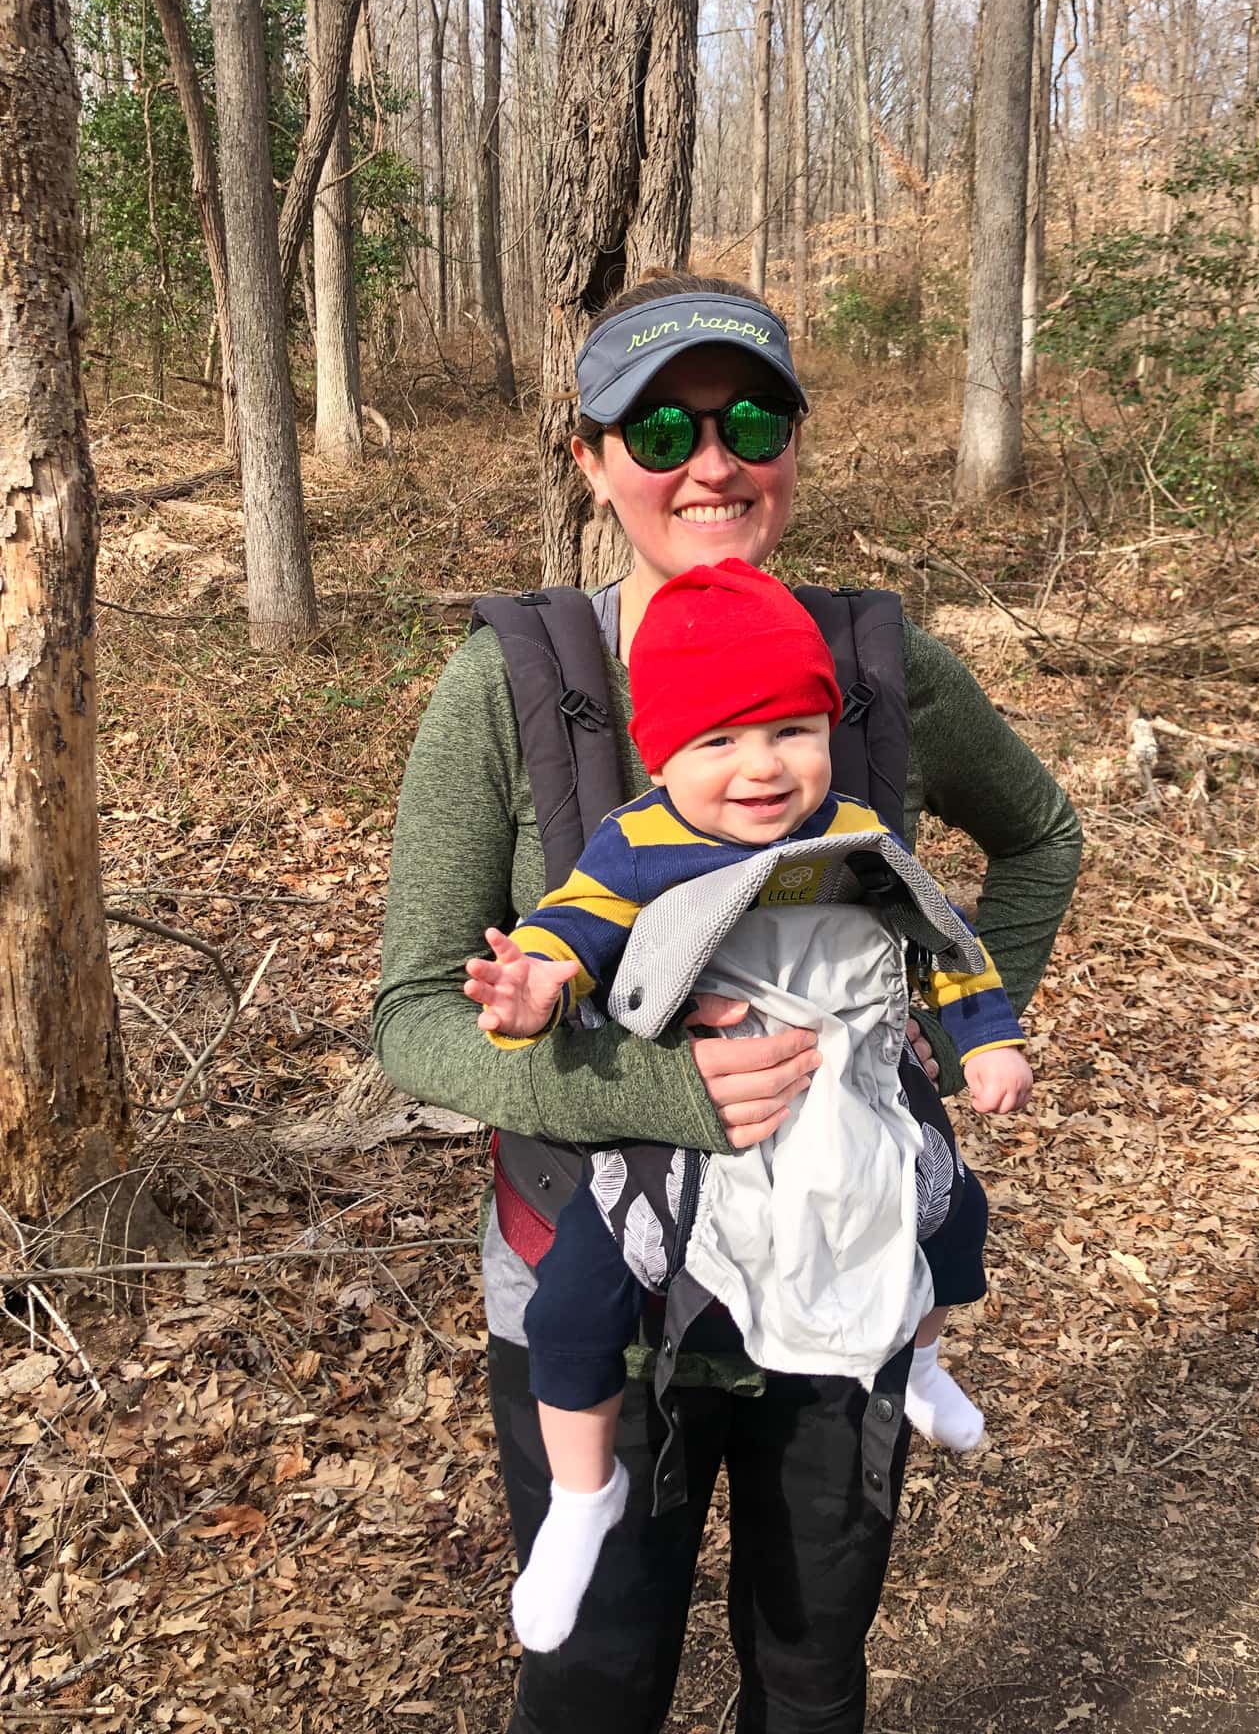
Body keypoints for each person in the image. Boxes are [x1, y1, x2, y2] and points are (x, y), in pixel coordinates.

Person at [373, 272, 1082, 1734]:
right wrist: (661, 1091)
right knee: (592, 1681)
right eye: (660, 429)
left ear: (794, 446)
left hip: (838, 1249)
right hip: (596, 1262)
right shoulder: (513, 686)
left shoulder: (876, 671)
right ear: (591, 459)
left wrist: (951, 1020)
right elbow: (413, 1014)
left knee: (812, 1669)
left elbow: (1040, 837)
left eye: (752, 420)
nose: (713, 462)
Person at [467, 558, 1034, 1653]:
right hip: (680, 1136)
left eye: (791, 731)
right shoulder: (640, 843)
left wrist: (987, 1038)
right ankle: (583, 1493)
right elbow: (572, 926)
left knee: (954, 1218)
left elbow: (946, 939)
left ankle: (919, 1357)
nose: (763, 766)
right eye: (719, 740)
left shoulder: (854, 830)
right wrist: (533, 987)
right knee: (577, 1300)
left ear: (828, 729)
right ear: (662, 755)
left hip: (848, 1103)